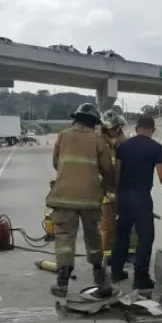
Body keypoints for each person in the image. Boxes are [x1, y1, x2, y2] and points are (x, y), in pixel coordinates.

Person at [47, 103, 115, 296]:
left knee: (64, 237)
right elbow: (107, 170)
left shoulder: (63, 136)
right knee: (93, 235)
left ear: (76, 119)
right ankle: (98, 273)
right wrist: (109, 187)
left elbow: (55, 163)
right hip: (90, 199)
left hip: (63, 197)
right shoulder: (98, 141)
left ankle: (62, 282)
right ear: (94, 122)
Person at [110, 115, 162, 291]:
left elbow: (117, 172)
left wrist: (117, 193)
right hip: (141, 197)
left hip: (123, 195)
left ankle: (116, 271)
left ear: (137, 128)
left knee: (122, 233)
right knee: (146, 236)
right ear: (152, 130)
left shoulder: (123, 146)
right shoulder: (156, 148)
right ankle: (141, 277)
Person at [98, 111, 138, 271]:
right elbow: (97, 170)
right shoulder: (98, 143)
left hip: (125, 190)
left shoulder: (125, 143)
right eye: (114, 127)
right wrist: (106, 191)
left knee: (131, 224)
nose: (116, 130)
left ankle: (131, 252)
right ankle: (107, 254)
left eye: (118, 127)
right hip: (106, 192)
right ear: (106, 128)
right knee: (107, 226)